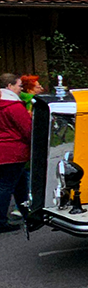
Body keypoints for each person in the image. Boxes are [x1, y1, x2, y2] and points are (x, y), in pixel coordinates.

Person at [0, 73, 31, 233]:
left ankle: (27, 212)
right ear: (9, 86)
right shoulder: (14, 106)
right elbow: (27, 129)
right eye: (19, 86)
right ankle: (1, 221)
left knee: (18, 185)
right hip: (13, 152)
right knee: (7, 186)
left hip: (3, 152)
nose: (21, 89)